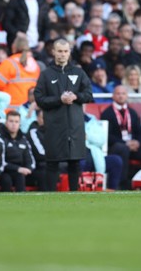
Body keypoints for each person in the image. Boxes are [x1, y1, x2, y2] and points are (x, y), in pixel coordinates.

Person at [34, 38, 94, 191]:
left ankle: (74, 195)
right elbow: (39, 98)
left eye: (65, 51)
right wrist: (59, 99)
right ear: (53, 52)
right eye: (59, 51)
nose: (62, 54)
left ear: (69, 53)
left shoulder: (78, 72)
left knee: (74, 162)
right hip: (54, 125)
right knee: (52, 162)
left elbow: (88, 94)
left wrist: (76, 97)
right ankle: (50, 196)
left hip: (75, 126)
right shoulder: (46, 74)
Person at [100, 85, 141, 189]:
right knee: (123, 149)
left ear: (127, 96)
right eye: (118, 93)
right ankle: (122, 184)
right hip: (115, 147)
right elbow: (107, 135)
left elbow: (140, 132)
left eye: (123, 93)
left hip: (132, 146)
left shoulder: (132, 113)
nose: (121, 96)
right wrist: (125, 143)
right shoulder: (107, 113)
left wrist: (137, 142)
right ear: (113, 96)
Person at [0, 111, 35, 192]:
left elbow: (30, 160)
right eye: (11, 121)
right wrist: (18, 168)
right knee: (6, 179)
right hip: (3, 171)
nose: (14, 124)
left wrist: (28, 169)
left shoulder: (24, 139)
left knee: (21, 177)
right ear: (6, 123)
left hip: (20, 172)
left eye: (16, 122)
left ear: (19, 124)